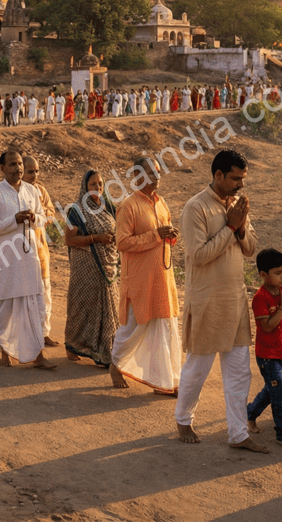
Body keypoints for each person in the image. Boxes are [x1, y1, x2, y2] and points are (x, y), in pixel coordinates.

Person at [175, 149, 267, 453]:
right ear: (218, 176)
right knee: (198, 366)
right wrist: (230, 226)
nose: (240, 184)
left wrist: (239, 225)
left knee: (240, 370)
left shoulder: (238, 208)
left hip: (235, 300)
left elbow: (251, 248)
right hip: (207, 300)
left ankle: (238, 433)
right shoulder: (195, 208)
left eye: (243, 178)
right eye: (235, 178)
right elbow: (199, 256)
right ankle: (183, 419)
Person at [0, 150, 57, 370]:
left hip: (29, 256)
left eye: (20, 164)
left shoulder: (32, 191)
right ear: (2, 168)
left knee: (33, 306)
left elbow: (43, 218)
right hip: (6, 261)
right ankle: (5, 350)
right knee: (6, 307)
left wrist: (34, 218)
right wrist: (13, 220)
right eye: (13, 164)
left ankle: (38, 355)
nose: (18, 168)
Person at [110, 156, 180, 394]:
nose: (157, 177)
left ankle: (164, 381)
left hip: (163, 277)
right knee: (133, 326)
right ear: (138, 176)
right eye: (151, 173)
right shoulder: (128, 206)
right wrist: (157, 235)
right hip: (140, 279)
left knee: (164, 326)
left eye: (158, 172)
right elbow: (122, 243)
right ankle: (116, 364)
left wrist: (171, 234)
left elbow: (165, 236)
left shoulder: (161, 204)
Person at [246, 248, 282, 449]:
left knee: (272, 391)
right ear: (263, 275)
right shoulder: (260, 298)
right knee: (279, 394)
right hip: (267, 354)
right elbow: (268, 327)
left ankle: (250, 414)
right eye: (277, 273)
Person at [63, 170, 120, 367]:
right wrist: (97, 238)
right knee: (83, 306)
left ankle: (105, 351)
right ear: (84, 188)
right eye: (93, 184)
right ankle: (73, 344)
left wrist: (113, 236)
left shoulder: (108, 207)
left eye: (100, 184)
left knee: (109, 307)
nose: (97, 188)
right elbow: (69, 239)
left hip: (107, 267)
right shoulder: (77, 210)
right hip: (85, 268)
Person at [22, 156, 59, 347]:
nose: (35, 175)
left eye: (37, 171)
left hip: (41, 250)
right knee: (24, 297)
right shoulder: (15, 192)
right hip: (20, 252)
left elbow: (51, 213)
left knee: (45, 295)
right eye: (31, 171)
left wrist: (42, 215)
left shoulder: (41, 190)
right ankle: (25, 335)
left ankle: (44, 333)